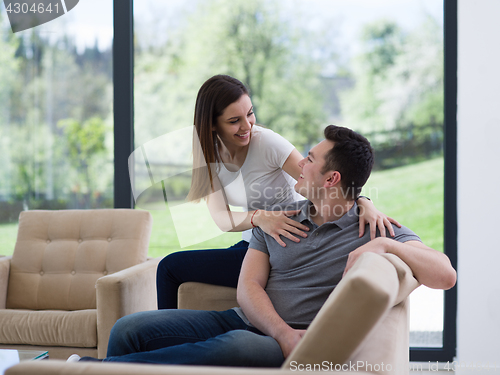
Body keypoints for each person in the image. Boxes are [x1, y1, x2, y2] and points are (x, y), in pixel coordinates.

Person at [71, 125, 456, 366]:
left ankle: (93, 369)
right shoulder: (279, 217)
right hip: (246, 320)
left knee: (235, 348)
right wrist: (279, 331)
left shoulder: (372, 228)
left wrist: (386, 248)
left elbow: (445, 275)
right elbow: (248, 286)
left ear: (331, 177)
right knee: (128, 329)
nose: (300, 166)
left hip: (288, 336)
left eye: (309, 159)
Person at [156, 75, 398, 309]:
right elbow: (222, 218)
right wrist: (258, 217)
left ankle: (164, 345)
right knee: (170, 269)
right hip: (252, 244)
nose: (247, 125)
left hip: (284, 246)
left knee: (169, 267)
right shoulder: (209, 157)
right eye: (234, 121)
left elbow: (323, 180)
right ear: (211, 124)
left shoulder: (267, 143)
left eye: (250, 113)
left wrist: (365, 202)